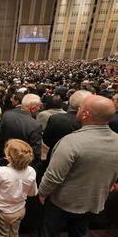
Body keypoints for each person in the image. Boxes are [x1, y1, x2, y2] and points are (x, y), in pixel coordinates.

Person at [39, 95, 118, 237]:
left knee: (48, 233)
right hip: (94, 201)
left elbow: (53, 176)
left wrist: (43, 193)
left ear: (86, 114)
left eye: (80, 107)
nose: (78, 110)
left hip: (62, 202)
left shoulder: (71, 142)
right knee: (80, 232)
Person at [0, 139, 38, 237]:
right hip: (20, 210)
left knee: (2, 234)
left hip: (2, 211)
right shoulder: (31, 171)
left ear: (9, 158)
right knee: (14, 233)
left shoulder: (1, 172)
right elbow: (32, 193)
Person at [43, 90, 92, 166]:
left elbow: (46, 141)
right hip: (84, 163)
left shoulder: (56, 119)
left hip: (57, 159)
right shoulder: (94, 121)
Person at [1, 94, 42, 171]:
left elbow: (0, 137)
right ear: (33, 108)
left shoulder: (6, 114)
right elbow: (35, 153)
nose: (39, 109)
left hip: (6, 158)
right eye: (39, 107)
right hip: (24, 166)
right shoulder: (35, 125)